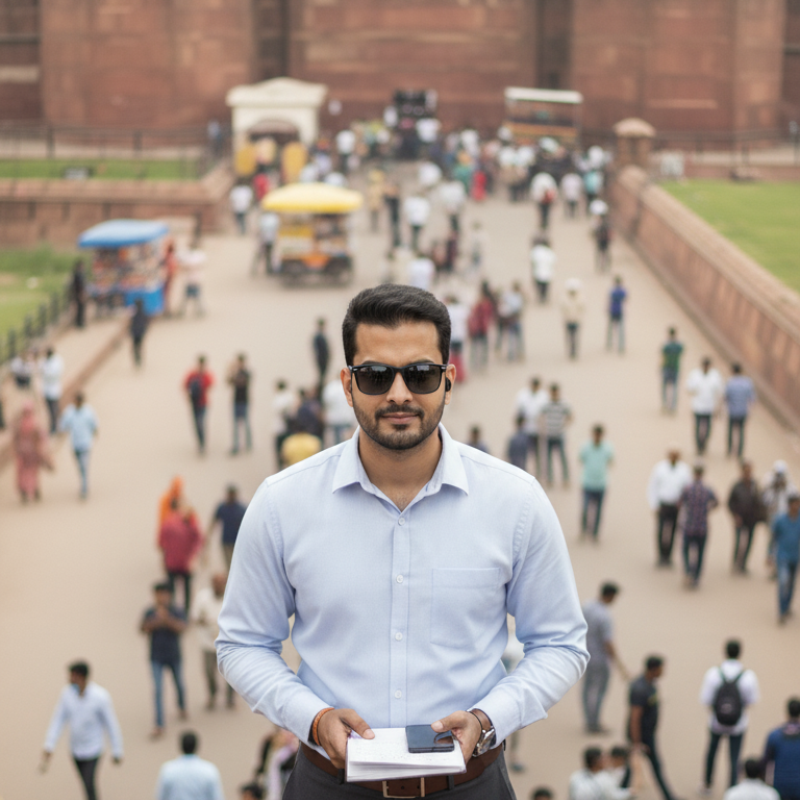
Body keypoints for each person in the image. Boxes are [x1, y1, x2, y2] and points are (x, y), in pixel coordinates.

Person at [217, 284, 589, 800]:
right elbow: (242, 643)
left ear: (448, 381)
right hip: (330, 783)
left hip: (469, 783)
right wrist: (313, 716)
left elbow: (561, 644)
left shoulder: (514, 502)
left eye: (419, 374)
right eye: (375, 376)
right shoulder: (284, 503)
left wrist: (487, 719)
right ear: (347, 385)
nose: (398, 393)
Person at [41, 661, 123, 800]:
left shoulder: (100, 697)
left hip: (93, 749)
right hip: (76, 750)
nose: (69, 679)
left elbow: (111, 724)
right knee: (85, 783)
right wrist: (49, 745)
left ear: (81, 677)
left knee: (88, 782)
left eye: (72, 676)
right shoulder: (67, 695)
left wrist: (117, 750)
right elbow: (58, 720)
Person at [699, 640, 760, 793]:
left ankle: (707, 784)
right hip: (738, 724)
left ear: (724, 652)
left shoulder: (713, 673)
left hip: (716, 722)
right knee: (734, 758)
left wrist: (719, 710)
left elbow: (705, 699)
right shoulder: (748, 676)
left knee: (712, 753)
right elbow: (752, 700)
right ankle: (731, 790)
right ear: (740, 653)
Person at [628, 656, 678, 800]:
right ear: (654, 669)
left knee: (630, 768)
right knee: (653, 766)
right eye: (662, 669)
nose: (663, 672)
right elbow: (635, 717)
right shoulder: (640, 688)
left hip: (648, 734)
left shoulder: (651, 685)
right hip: (642, 737)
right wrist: (637, 743)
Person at [141, 582, 187, 739]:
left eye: (164, 594)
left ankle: (181, 706)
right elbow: (143, 629)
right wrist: (156, 621)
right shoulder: (150, 612)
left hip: (174, 656)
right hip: (156, 657)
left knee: (179, 685)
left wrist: (166, 620)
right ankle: (159, 724)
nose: (161, 598)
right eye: (158, 594)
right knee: (158, 690)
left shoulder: (176, 611)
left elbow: (182, 628)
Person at [582, 583, 627, 735]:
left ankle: (588, 719)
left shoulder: (587, 606)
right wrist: (619, 665)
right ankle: (594, 723)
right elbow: (608, 642)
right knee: (600, 691)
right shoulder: (604, 616)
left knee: (587, 688)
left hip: (585, 654)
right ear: (611, 596)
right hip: (599, 658)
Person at [194, 574, 235, 710]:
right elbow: (195, 616)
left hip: (228, 643)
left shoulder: (232, 598)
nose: (218, 587)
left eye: (221, 584)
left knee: (231, 672)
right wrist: (205, 622)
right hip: (208, 642)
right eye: (216, 584)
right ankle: (213, 694)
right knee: (208, 671)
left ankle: (230, 698)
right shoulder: (202, 597)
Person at [647, 445, 693, 566]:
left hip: (675, 505)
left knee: (673, 531)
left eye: (676, 454)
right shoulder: (660, 468)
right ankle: (660, 555)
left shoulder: (684, 470)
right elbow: (653, 487)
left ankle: (668, 556)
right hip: (663, 504)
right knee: (661, 531)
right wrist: (654, 504)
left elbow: (687, 490)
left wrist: (684, 506)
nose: (673, 457)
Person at [678, 463, 719, 588]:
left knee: (686, 550)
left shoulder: (687, 488)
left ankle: (688, 571)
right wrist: (707, 510)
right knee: (700, 553)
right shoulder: (707, 489)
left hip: (689, 525)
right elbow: (716, 502)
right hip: (702, 526)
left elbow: (679, 502)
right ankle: (696, 576)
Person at [158, 499, 203, 613]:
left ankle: (185, 612)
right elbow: (162, 542)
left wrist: (194, 556)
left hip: (184, 563)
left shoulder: (191, 524)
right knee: (175, 588)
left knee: (185, 589)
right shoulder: (171, 522)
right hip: (174, 562)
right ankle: (175, 611)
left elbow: (198, 540)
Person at [156, 731, 224, 800]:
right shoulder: (209, 770)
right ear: (196, 746)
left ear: (181, 746)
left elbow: (162, 796)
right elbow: (216, 797)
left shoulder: (168, 769)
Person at [727, 462, 766, 573]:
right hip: (740, 519)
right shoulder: (737, 486)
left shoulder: (755, 485)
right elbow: (730, 502)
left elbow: (760, 501)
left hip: (752, 519)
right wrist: (735, 515)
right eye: (746, 471)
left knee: (749, 542)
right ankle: (735, 562)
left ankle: (743, 563)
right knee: (739, 541)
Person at [59, 392, 98, 499]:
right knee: (80, 466)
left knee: (83, 466)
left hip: (85, 443)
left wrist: (95, 433)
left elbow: (94, 425)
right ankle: (83, 482)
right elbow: (63, 425)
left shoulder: (88, 412)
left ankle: (84, 488)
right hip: (75, 444)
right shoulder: (69, 412)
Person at [580, 426, 614, 540]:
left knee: (598, 512)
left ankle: (595, 533)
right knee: (585, 509)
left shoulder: (607, 448)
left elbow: (611, 460)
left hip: (601, 484)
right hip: (588, 483)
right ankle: (584, 530)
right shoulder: (586, 446)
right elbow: (581, 458)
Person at [13, 402, 52, 502]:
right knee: (33, 472)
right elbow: (42, 436)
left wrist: (16, 449)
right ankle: (35, 490)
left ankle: (24, 491)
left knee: (23, 472)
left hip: (23, 451)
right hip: (33, 452)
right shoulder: (35, 422)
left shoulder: (19, 423)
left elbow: (15, 438)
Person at [770, 493, 800, 624]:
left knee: (792, 584)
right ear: (789, 505)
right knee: (783, 582)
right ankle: (781, 611)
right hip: (782, 556)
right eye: (795, 504)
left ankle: (787, 606)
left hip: (795, 556)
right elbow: (773, 538)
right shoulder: (780, 520)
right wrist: (769, 554)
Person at [762, 698, 800, 800]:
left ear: (787, 711)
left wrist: (764, 786)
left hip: (780, 785)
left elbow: (764, 763)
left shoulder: (775, 735)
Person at [687, 357, 724, 456]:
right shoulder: (695, 375)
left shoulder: (715, 376)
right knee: (697, 427)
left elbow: (719, 391)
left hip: (709, 406)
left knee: (708, 428)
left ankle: (704, 444)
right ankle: (698, 446)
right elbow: (689, 388)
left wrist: (719, 407)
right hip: (698, 406)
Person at [540, 383, 572, 486]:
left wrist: (564, 426)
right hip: (549, 434)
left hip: (559, 434)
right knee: (548, 458)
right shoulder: (547, 404)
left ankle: (565, 478)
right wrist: (543, 427)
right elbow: (541, 415)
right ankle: (550, 478)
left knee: (562, 458)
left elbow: (570, 415)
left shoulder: (563, 403)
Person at [206, 485, 247, 569]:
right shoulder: (222, 508)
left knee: (237, 564)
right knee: (229, 565)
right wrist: (208, 536)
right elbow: (214, 521)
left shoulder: (241, 509)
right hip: (226, 541)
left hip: (238, 542)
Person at [515, 376, 549, 476]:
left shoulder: (543, 396)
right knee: (524, 454)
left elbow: (545, 415)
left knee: (538, 455)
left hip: (537, 431)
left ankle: (538, 474)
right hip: (525, 430)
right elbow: (518, 412)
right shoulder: (522, 395)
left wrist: (544, 428)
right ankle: (524, 474)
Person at [183, 356, 214, 454]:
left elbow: (210, 384)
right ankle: (200, 443)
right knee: (196, 424)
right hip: (194, 403)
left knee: (200, 423)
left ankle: (202, 444)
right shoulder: (193, 374)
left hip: (203, 403)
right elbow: (185, 385)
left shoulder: (205, 375)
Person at [725, 365, 756, 458]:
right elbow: (752, 398)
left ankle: (730, 450)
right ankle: (740, 451)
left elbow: (726, 397)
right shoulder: (747, 383)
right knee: (741, 432)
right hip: (743, 411)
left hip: (732, 411)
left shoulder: (730, 382)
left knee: (730, 431)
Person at [227, 353, 252, 455]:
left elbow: (242, 383)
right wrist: (231, 372)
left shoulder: (247, 373)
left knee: (246, 424)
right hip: (236, 401)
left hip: (244, 401)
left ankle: (248, 443)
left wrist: (235, 373)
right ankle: (236, 445)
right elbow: (228, 382)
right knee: (235, 425)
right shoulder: (236, 373)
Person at [468, 282, 495, 370]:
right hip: (483, 327)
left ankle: (475, 363)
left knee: (475, 347)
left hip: (478, 328)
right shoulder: (488, 305)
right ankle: (482, 363)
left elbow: (473, 315)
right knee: (482, 347)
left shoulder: (479, 305)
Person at [322, 377, 357, 446]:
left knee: (335, 441)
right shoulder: (347, 387)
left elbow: (326, 403)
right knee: (346, 441)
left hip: (333, 419)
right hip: (345, 418)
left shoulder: (330, 387)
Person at [39, 345, 64, 433]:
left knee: (55, 408)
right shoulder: (44, 361)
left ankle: (58, 425)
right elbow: (40, 370)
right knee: (50, 410)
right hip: (46, 389)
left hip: (54, 389)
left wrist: (45, 373)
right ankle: (53, 425)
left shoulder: (56, 361)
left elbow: (53, 375)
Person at [499, 282, 525, 362]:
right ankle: (517, 354)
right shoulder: (516, 297)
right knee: (516, 338)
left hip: (512, 320)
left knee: (513, 338)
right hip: (514, 320)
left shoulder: (509, 296)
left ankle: (514, 354)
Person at [445, 295, 469, 381]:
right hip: (460, 335)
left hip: (451, 336)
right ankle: (460, 375)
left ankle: (450, 375)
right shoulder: (461, 309)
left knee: (450, 357)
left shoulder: (448, 309)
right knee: (459, 356)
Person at [660, 328, 684, 413]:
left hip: (668, 367)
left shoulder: (667, 345)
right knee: (674, 387)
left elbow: (663, 356)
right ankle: (672, 405)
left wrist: (661, 367)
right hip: (674, 367)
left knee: (666, 387)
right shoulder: (678, 345)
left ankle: (665, 404)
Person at [273, 379, 294, 469]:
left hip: (280, 428)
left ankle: (280, 467)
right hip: (289, 428)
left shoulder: (279, 398)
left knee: (279, 450)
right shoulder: (290, 396)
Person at [562, 279, 585, 359]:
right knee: (569, 337)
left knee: (575, 337)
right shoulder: (565, 298)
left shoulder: (580, 298)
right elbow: (563, 309)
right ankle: (570, 350)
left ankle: (574, 351)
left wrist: (577, 317)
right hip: (568, 320)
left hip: (576, 320)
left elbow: (582, 309)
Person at [530, 236, 556, 304]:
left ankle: (541, 297)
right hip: (547, 272)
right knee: (545, 287)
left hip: (538, 272)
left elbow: (532, 261)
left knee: (539, 286)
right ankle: (543, 297)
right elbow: (553, 261)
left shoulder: (537, 251)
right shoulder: (549, 252)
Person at [606, 276, 627, 354]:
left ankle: (609, 343)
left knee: (610, 328)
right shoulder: (623, 291)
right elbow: (625, 298)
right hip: (620, 310)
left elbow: (609, 299)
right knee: (621, 329)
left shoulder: (612, 290)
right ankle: (621, 346)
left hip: (612, 310)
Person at [313, 318, 330, 395]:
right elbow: (319, 350)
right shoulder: (318, 337)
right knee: (321, 375)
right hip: (321, 359)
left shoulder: (322, 336)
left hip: (324, 358)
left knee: (323, 375)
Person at [129, 298, 149, 367]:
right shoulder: (143, 313)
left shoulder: (133, 313)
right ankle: (138, 357)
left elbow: (130, 323)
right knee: (139, 346)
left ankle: (137, 357)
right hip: (139, 332)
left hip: (135, 332)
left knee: (136, 346)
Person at [70, 259, 87, 328]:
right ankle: (79, 323)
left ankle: (80, 322)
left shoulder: (80, 274)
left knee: (81, 308)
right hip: (79, 294)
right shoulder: (77, 275)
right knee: (80, 308)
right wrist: (80, 294)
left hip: (79, 293)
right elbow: (78, 286)